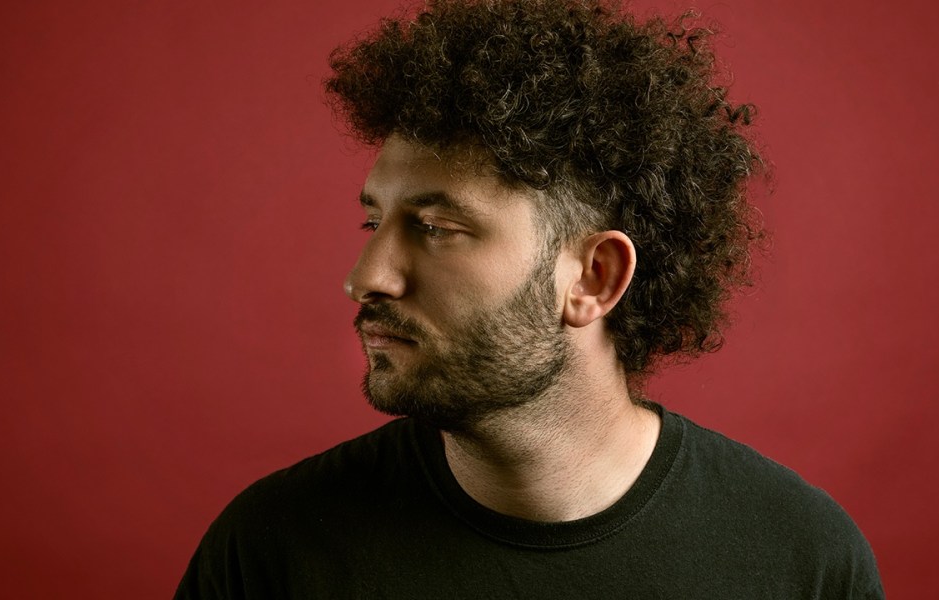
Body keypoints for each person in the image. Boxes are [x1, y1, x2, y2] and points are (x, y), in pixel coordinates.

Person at [175, 0, 883, 597]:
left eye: (436, 228)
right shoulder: (272, 555)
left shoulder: (802, 561)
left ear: (594, 278)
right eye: (372, 223)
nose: (367, 278)